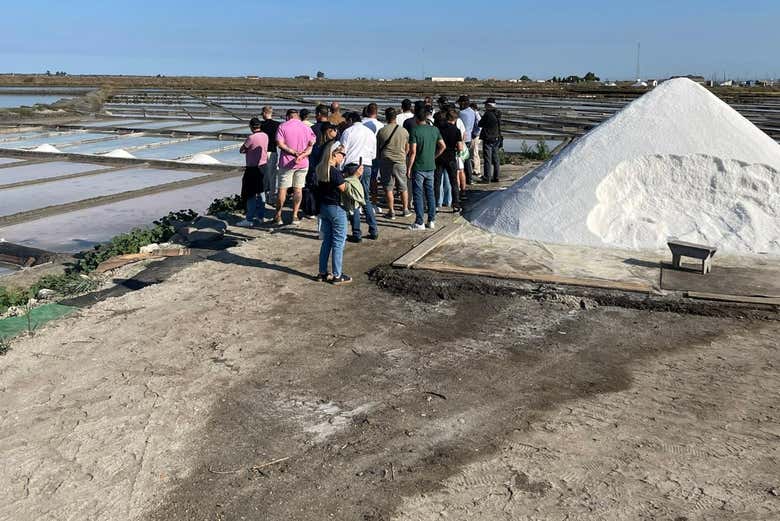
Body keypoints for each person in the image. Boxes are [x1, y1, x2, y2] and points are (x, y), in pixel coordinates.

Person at [315, 141, 352, 285]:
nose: (343, 157)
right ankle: (337, 275)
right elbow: (345, 190)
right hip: (336, 208)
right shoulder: (335, 173)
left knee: (327, 241)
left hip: (324, 208)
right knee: (338, 242)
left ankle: (322, 272)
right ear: (334, 154)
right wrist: (355, 177)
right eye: (342, 154)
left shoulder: (320, 169)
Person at [340, 111, 379, 242]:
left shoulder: (348, 132)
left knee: (353, 200)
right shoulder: (369, 132)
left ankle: (357, 233)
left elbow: (342, 151)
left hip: (352, 166)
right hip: (367, 165)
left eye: (347, 120)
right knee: (365, 198)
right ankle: (373, 229)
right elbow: (374, 154)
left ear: (351, 120)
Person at [274, 109, 316, 225]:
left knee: (282, 189)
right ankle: (295, 216)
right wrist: (302, 155)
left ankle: (278, 216)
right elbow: (311, 145)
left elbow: (279, 144)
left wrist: (293, 152)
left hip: (286, 163)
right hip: (303, 163)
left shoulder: (283, 126)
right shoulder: (306, 128)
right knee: (298, 189)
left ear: (288, 116)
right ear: (297, 116)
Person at [407, 109, 445, 231]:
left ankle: (419, 222)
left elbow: (412, 152)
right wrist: (434, 156)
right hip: (431, 166)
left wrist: (409, 168)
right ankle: (431, 220)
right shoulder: (434, 129)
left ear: (417, 119)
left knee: (418, 194)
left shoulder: (415, 131)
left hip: (418, 166)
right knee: (430, 194)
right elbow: (442, 146)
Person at [376, 107, 410, 219]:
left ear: (386, 117)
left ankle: (391, 211)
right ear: (396, 117)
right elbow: (407, 148)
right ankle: (405, 209)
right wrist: (403, 155)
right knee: (403, 186)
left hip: (386, 160)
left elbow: (378, 147)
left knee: (388, 187)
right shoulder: (404, 131)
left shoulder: (382, 131)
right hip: (400, 160)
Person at [237, 117, 269, 227]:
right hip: (264, 166)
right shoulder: (265, 135)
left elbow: (241, 149)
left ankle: (249, 219)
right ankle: (261, 217)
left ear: (251, 126)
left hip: (252, 168)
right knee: (261, 192)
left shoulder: (251, 137)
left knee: (250, 193)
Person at [434, 108, 463, 213]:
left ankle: (436, 204)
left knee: (437, 181)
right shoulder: (456, 130)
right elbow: (460, 147)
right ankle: (455, 204)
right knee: (453, 182)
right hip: (451, 157)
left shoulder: (438, 128)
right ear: (455, 119)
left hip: (439, 157)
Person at [260, 106, 281, 203]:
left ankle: (263, 197)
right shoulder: (277, 125)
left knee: (262, 175)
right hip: (272, 151)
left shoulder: (261, 125)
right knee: (272, 175)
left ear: (264, 113)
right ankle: (271, 198)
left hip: (262, 152)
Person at [479, 98, 502, 182]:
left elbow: (480, 124)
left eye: (485, 105)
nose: (484, 106)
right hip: (497, 137)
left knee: (487, 158)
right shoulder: (497, 113)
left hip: (488, 138)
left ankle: (487, 177)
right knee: (496, 158)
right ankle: (496, 177)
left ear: (489, 106)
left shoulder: (487, 114)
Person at [457, 95, 477, 184]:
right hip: (470, 136)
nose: (459, 105)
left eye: (460, 103)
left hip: (463, 138)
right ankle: (469, 178)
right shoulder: (472, 112)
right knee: (467, 157)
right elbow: (477, 124)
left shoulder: (462, 113)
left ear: (463, 103)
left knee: (462, 159)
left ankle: (466, 178)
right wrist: (475, 133)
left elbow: (459, 125)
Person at [470, 101, 482, 173]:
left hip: (475, 136)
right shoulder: (476, 114)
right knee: (474, 152)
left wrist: (475, 134)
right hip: (476, 135)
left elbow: (479, 126)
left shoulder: (476, 115)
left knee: (474, 152)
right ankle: (475, 168)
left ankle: (476, 170)